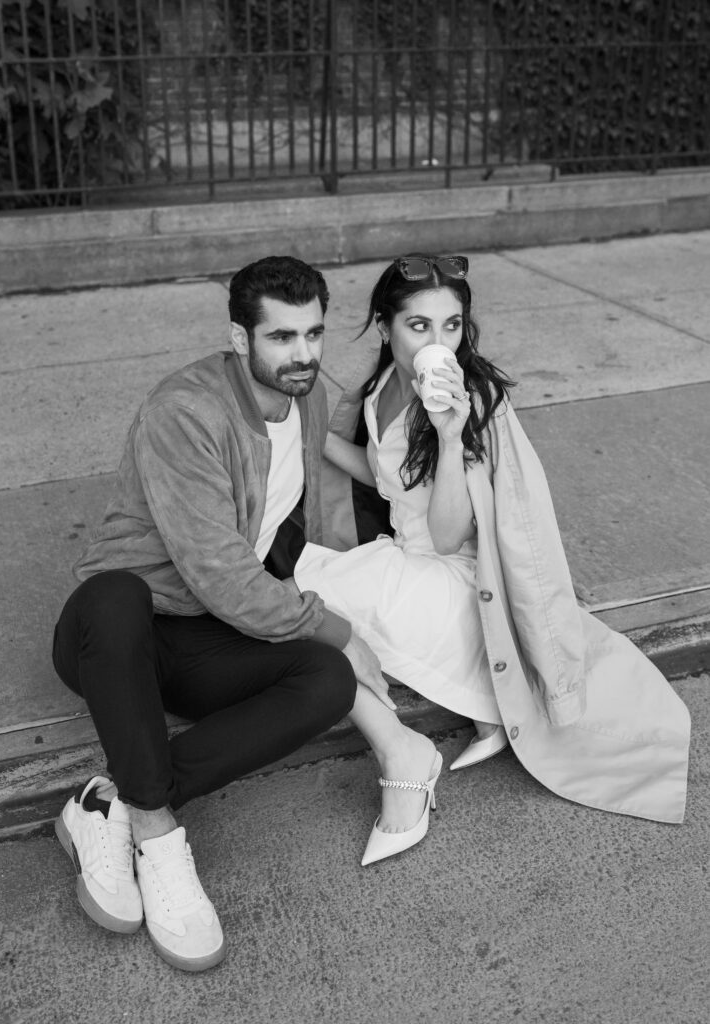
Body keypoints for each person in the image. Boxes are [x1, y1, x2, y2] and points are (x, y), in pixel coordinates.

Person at [51, 255, 394, 972]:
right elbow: (219, 572)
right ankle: (159, 834)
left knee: (326, 681)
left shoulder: (308, 398)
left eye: (312, 334)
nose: (302, 354)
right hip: (116, 634)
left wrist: (338, 616)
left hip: (205, 638)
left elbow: (292, 524)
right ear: (241, 340)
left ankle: (107, 802)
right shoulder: (186, 411)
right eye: (280, 338)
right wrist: (338, 624)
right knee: (118, 594)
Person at [295, 252, 691, 866]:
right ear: (384, 327)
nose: (437, 340)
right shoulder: (381, 388)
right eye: (419, 326)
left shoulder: (466, 400)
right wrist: (307, 428)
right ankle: (480, 710)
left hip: (451, 573)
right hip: (405, 558)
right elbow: (384, 478)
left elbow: (450, 535)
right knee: (304, 595)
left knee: (306, 603)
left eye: (450, 325)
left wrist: (450, 437)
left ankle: (413, 754)